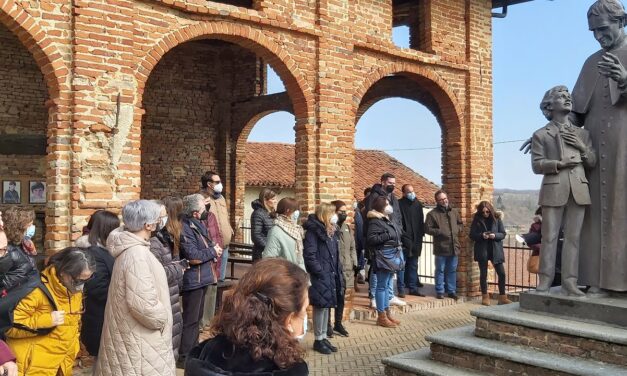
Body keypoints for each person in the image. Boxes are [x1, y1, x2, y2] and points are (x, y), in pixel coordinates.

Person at [184, 259, 309, 375]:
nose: (306, 317)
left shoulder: (207, 353)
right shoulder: (287, 368)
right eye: (304, 311)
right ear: (289, 320)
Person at [95, 200, 176, 376]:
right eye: (159, 218)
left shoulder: (133, 249)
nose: (162, 221)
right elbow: (143, 305)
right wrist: (163, 319)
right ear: (148, 225)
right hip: (141, 341)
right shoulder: (136, 255)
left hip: (133, 335)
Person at [531, 86, 595, 296]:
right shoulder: (541, 134)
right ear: (549, 106)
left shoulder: (583, 134)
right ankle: (545, 281)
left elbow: (592, 161)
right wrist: (558, 163)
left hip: (578, 190)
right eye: (561, 96)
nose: (567, 99)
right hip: (554, 190)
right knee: (548, 237)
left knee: (573, 239)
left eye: (568, 96)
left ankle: (570, 282)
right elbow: (537, 165)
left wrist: (582, 148)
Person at [5, 247, 95, 376]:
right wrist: (46, 320)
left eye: (87, 280)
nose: (81, 285)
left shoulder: (75, 291)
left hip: (61, 364)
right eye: (78, 280)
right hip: (34, 367)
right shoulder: (36, 290)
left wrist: (73, 349)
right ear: (63, 271)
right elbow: (9, 327)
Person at [179, 194, 222, 367]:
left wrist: (213, 248)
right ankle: (184, 355)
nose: (207, 212)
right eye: (204, 209)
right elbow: (193, 256)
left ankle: (193, 349)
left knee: (196, 319)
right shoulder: (186, 227)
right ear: (196, 213)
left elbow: (206, 245)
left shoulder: (197, 224)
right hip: (193, 279)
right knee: (190, 319)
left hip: (202, 277)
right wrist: (213, 252)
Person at [149, 198, 187, 361]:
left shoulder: (164, 237)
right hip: (163, 298)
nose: (164, 219)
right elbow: (157, 274)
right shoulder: (153, 243)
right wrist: (179, 268)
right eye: (161, 216)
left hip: (172, 294)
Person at [78, 210, 120, 357]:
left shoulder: (104, 249)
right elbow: (97, 288)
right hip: (99, 318)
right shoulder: (93, 252)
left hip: (104, 315)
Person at [303, 203, 342, 355]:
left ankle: (324, 336)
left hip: (330, 273)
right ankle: (318, 339)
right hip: (321, 275)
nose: (335, 215)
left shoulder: (331, 231)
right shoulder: (314, 232)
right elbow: (310, 255)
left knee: (326, 306)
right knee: (319, 306)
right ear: (324, 215)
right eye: (332, 213)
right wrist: (319, 271)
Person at [364, 174, 405, 308]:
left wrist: (398, 231)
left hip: (394, 240)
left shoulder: (393, 197)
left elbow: (397, 216)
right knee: (378, 271)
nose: (392, 185)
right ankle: (374, 297)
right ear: (382, 182)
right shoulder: (374, 196)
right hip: (381, 242)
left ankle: (390, 295)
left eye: (394, 183)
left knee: (391, 271)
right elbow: (371, 217)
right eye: (389, 182)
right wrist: (386, 233)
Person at [367, 196, 404, 328]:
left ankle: (387, 313)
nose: (389, 206)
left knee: (387, 283)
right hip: (383, 257)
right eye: (387, 204)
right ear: (381, 206)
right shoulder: (375, 221)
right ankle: (381, 316)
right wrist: (387, 236)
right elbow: (371, 239)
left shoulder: (385, 219)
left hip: (391, 256)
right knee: (381, 286)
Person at [469, 201, 511, 306]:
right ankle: (485, 297)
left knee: (501, 273)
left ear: (490, 210)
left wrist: (494, 235)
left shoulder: (497, 219)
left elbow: (503, 234)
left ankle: (502, 297)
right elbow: (472, 235)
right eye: (483, 212)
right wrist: (482, 235)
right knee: (484, 274)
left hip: (495, 250)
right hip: (482, 249)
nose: (485, 214)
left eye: (487, 212)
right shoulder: (477, 219)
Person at [425, 190, 463, 300]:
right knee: (440, 270)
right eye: (441, 199)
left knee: (452, 270)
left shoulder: (454, 212)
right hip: (441, 246)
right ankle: (440, 291)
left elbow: (460, 224)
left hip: (454, 246)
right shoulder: (432, 214)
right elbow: (427, 228)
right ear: (437, 201)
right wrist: (439, 232)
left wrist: (457, 230)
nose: (444, 201)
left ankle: (451, 291)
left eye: (445, 198)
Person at [328, 200, 356, 337]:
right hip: (333, 267)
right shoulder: (330, 227)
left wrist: (354, 263)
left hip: (345, 268)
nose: (344, 214)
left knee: (341, 296)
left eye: (345, 211)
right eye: (341, 212)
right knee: (329, 297)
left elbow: (352, 247)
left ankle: (338, 323)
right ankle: (327, 325)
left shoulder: (347, 227)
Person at [199, 171, 234, 282]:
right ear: (209, 184)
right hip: (211, 247)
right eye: (217, 182)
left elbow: (224, 216)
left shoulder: (221, 198)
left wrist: (229, 227)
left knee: (221, 279)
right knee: (211, 280)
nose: (220, 184)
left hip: (225, 246)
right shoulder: (200, 199)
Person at [0, 208, 38, 295]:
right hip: (13, 299)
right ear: (19, 226)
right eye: (29, 225)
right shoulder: (6, 250)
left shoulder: (23, 244)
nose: (32, 228)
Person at [262, 197, 305, 271]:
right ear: (288, 211)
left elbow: (299, 258)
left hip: (298, 274)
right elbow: (269, 258)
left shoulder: (296, 229)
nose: (297, 213)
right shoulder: (276, 231)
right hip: (285, 276)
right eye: (295, 210)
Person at [398, 184, 426, 296]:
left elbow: (421, 221)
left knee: (414, 264)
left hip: (416, 240)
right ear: (404, 193)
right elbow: (399, 223)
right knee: (402, 265)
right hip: (404, 240)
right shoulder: (399, 204)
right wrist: (403, 236)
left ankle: (413, 288)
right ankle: (401, 288)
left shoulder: (417, 204)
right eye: (409, 192)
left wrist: (420, 235)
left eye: (412, 191)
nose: (412, 194)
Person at [251, 188, 278, 262]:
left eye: (276, 199)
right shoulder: (258, 214)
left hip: (273, 253)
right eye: (273, 199)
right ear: (265, 200)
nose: (275, 201)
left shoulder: (273, 214)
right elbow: (256, 236)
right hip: (261, 254)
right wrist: (269, 247)